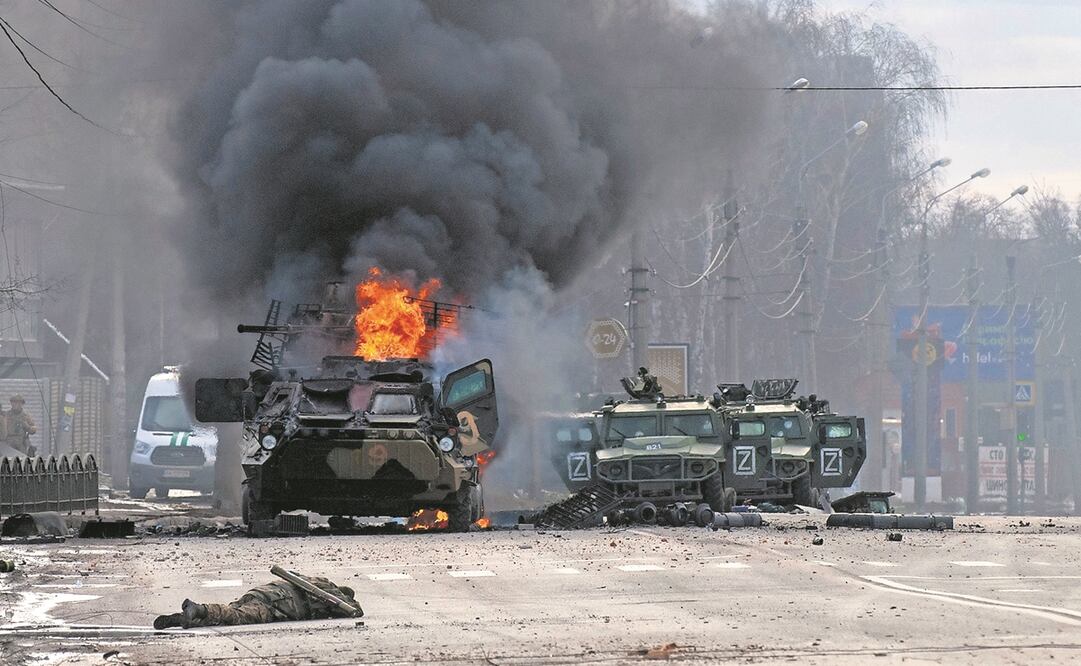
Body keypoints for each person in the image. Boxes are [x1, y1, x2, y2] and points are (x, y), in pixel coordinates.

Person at [154, 572, 358, 629]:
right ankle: (200, 609)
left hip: (260, 594)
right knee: (237, 617)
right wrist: (347, 600)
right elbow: (355, 611)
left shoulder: (315, 580)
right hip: (276, 603)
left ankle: (184, 619)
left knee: (229, 614)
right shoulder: (331, 594)